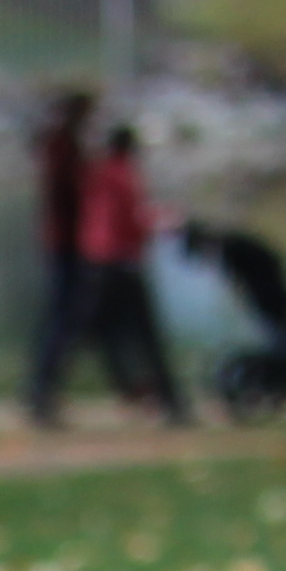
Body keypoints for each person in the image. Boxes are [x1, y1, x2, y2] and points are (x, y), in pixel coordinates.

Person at [71, 118, 193, 426]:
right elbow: (132, 221)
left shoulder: (97, 174)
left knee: (100, 332)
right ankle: (170, 401)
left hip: (96, 263)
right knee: (146, 335)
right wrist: (167, 220)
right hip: (122, 264)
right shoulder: (124, 175)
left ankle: (131, 390)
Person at [21, 88, 96, 430]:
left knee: (65, 318)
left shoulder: (65, 145)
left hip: (69, 241)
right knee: (63, 318)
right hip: (66, 243)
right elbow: (68, 195)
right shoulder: (62, 147)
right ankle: (41, 391)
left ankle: (44, 391)